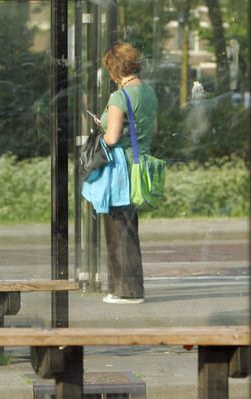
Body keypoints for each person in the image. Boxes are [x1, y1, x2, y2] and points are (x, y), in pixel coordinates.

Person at [94, 42, 158, 304]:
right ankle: (127, 288)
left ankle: (127, 291)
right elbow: (152, 130)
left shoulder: (119, 97)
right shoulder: (149, 92)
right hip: (140, 164)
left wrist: (102, 125)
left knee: (118, 229)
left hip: (120, 168)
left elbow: (111, 138)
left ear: (113, 68)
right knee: (129, 228)